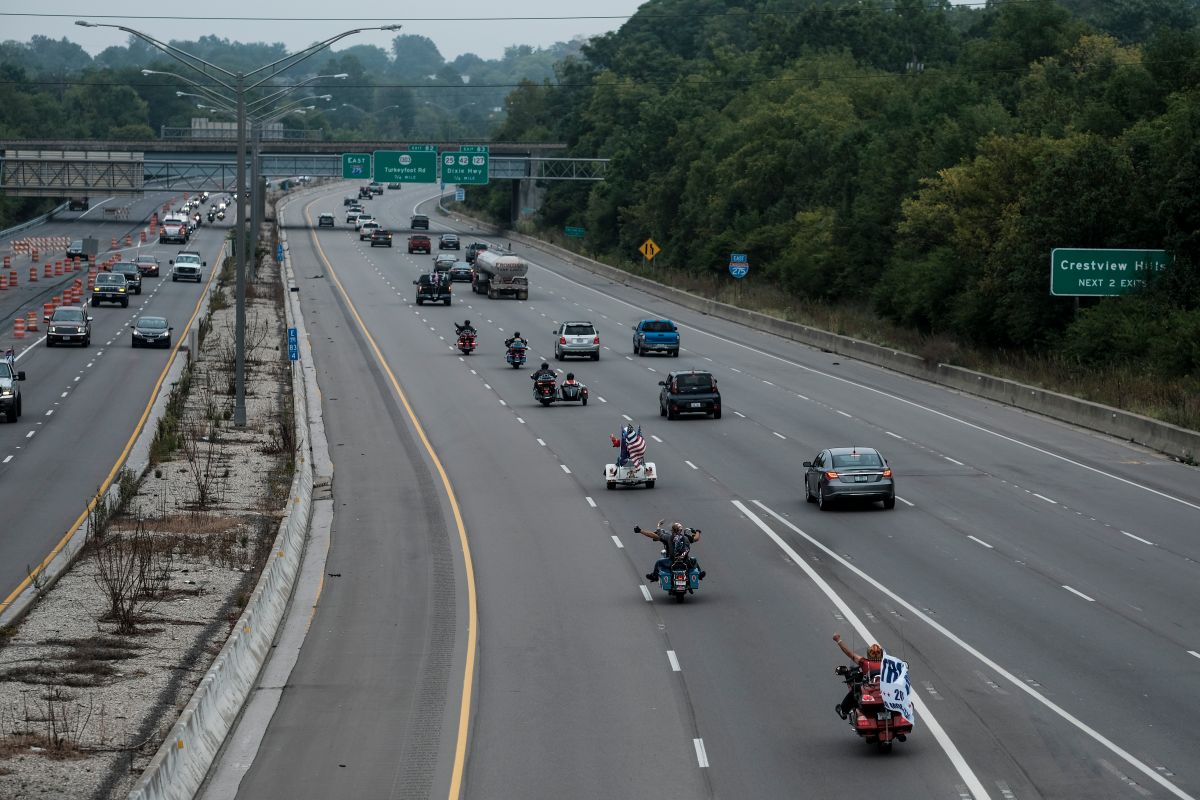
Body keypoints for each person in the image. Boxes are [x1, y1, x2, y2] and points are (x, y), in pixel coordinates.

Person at [833, 634, 884, 719]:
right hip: (887, 692)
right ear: (882, 655)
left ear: (868, 655)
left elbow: (849, 653)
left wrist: (838, 640)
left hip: (872, 691)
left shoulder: (865, 663)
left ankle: (843, 711)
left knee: (855, 689)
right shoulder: (888, 664)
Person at [635, 520, 703, 582]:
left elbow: (656, 534)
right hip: (685, 562)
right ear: (681, 530)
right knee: (694, 560)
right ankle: (700, 574)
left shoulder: (668, 538)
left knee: (658, 562)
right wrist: (698, 531)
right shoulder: (686, 538)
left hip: (671, 562)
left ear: (672, 530)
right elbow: (696, 538)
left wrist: (657, 526)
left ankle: (654, 576)